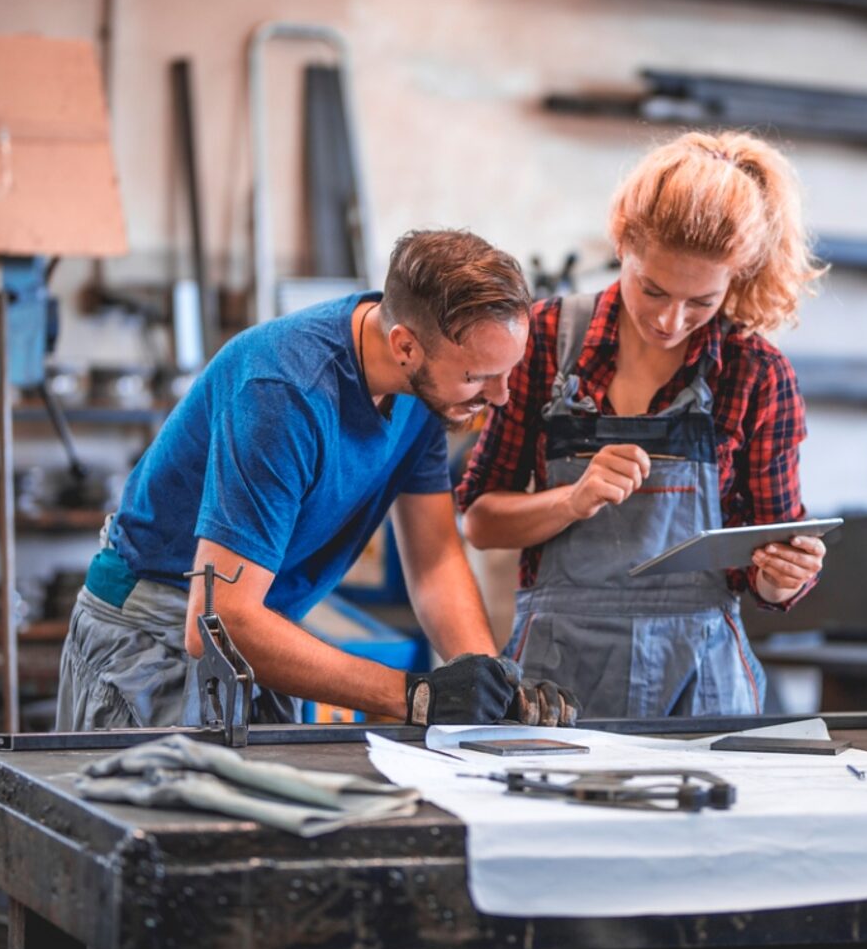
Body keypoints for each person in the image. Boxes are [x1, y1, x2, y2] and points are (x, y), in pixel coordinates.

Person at [57, 230, 579, 731]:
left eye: (507, 371)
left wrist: (486, 681)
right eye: (478, 376)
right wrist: (419, 697)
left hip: (259, 630)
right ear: (405, 347)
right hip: (153, 638)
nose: (501, 396)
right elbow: (216, 624)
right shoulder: (284, 393)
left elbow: (437, 557)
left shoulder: (426, 393)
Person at [457, 131, 828, 718]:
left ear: (737, 278)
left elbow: (770, 566)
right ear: (622, 242)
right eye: (651, 288)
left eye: (700, 302)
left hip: (704, 690)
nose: (669, 319)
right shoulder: (544, 340)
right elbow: (479, 520)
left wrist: (784, 576)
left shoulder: (757, 375)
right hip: (556, 684)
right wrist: (572, 500)